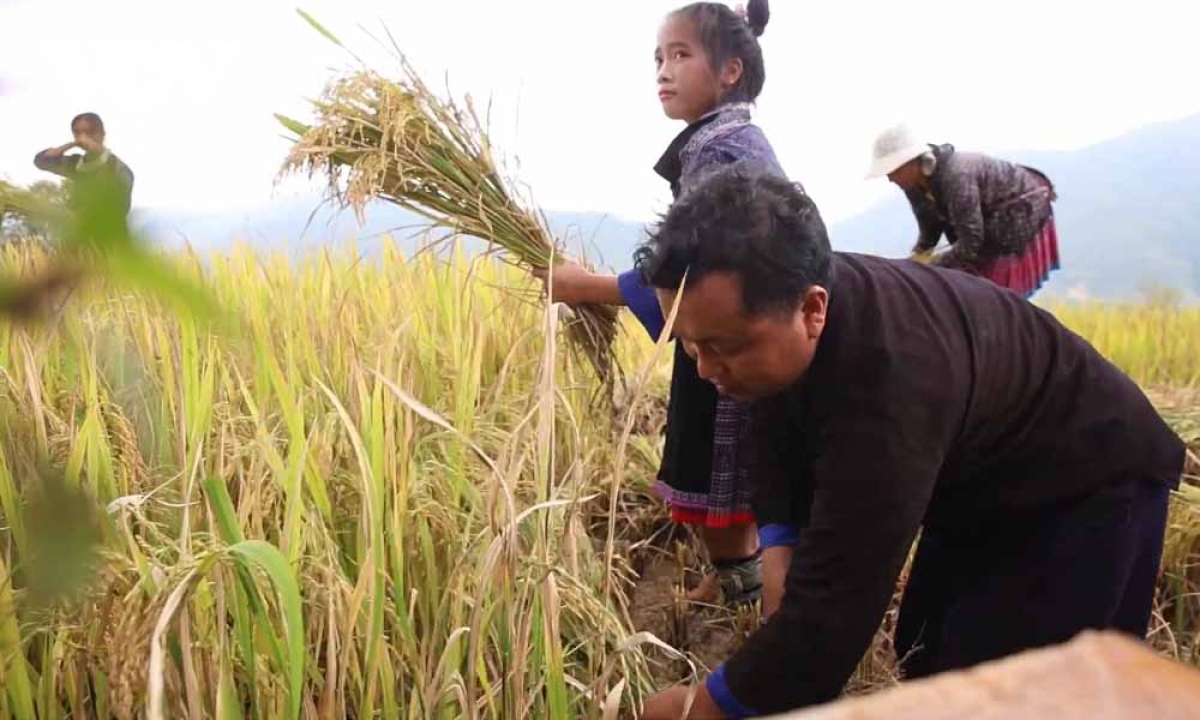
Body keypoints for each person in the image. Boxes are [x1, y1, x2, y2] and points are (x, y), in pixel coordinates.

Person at [635, 163, 1184, 719]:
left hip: (1089, 480)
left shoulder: (888, 385)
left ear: (812, 309)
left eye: (722, 346)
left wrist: (703, 708)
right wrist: (779, 544)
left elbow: (832, 618)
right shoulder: (786, 313)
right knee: (925, 647)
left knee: (1012, 695)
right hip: (979, 479)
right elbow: (771, 425)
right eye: (689, 345)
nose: (706, 369)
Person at [535, 0, 795, 608]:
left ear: (730, 70)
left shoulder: (719, 149)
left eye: (680, 55)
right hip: (738, 331)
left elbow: (694, 269)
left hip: (730, 338)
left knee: (717, 475)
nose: (663, 71)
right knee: (729, 479)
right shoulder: (726, 139)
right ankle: (736, 579)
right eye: (657, 58)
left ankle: (742, 586)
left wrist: (583, 287)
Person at [867, 123, 1059, 298]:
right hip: (982, 227)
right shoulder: (914, 186)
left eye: (894, 171)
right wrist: (912, 263)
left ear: (913, 162)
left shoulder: (957, 177)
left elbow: (971, 242)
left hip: (1017, 214)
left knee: (992, 296)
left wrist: (928, 267)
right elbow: (929, 231)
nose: (890, 178)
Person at [34, 112, 135, 241]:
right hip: (81, 241)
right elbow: (41, 161)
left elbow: (118, 207)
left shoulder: (118, 168)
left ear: (102, 134)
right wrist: (71, 144)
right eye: (77, 132)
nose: (83, 137)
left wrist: (97, 149)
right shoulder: (76, 164)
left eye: (90, 132)